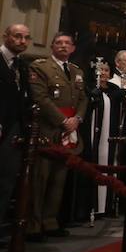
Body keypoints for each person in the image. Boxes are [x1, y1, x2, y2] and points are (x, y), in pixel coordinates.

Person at [27, 32, 88, 240]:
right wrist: (63, 121)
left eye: (67, 43)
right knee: (40, 178)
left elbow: (82, 99)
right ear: (52, 46)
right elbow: (41, 98)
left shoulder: (76, 70)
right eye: (59, 43)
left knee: (58, 178)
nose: (63, 46)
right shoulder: (40, 67)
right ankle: (33, 225)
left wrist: (77, 119)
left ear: (73, 48)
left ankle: (50, 221)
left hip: (69, 132)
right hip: (48, 130)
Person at [80, 60, 126, 217]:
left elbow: (124, 116)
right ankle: (90, 207)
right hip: (92, 140)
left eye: (106, 70)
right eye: (99, 70)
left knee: (109, 167)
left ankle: (108, 206)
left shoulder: (114, 90)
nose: (103, 73)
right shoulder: (88, 90)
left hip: (110, 140)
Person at [0, 24, 32, 239]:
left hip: (14, 130)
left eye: (26, 38)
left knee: (6, 181)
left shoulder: (21, 65)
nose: (22, 41)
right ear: (5, 36)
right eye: (17, 36)